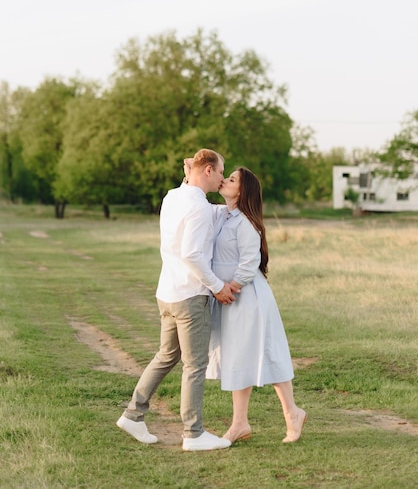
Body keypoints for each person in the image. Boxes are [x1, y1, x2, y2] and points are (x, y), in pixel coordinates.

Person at [117, 149, 238, 452]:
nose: (223, 177)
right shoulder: (198, 207)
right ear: (208, 170)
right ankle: (193, 434)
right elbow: (192, 254)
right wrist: (217, 286)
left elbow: (198, 199)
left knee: (166, 356)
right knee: (195, 365)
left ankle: (133, 414)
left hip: (167, 294)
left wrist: (188, 174)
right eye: (221, 171)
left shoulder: (174, 196)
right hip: (189, 295)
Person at [206, 166, 307, 444]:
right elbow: (193, 195)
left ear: (243, 190)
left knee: (268, 351)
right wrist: (191, 171)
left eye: (232, 179)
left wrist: (229, 288)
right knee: (238, 357)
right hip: (229, 297)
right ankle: (240, 423)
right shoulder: (221, 215)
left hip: (246, 296)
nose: (225, 180)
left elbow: (249, 263)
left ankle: (292, 413)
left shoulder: (246, 223)